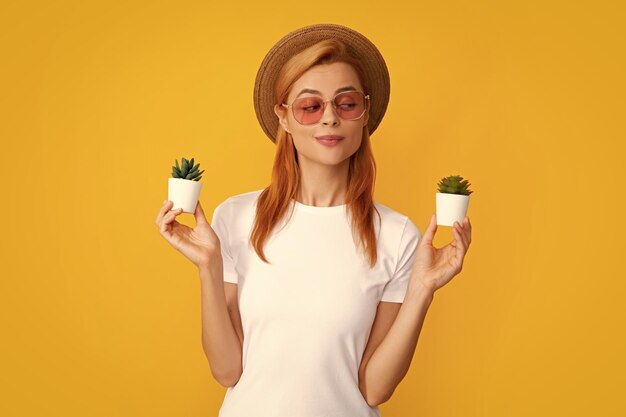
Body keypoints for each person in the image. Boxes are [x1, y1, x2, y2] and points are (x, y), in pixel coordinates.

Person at [155, 23, 472, 417]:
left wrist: (423, 289)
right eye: (310, 106)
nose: (329, 119)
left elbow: (374, 389)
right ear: (283, 117)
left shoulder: (397, 234)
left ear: (364, 114)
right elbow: (226, 369)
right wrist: (208, 266)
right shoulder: (236, 217)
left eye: (347, 103)